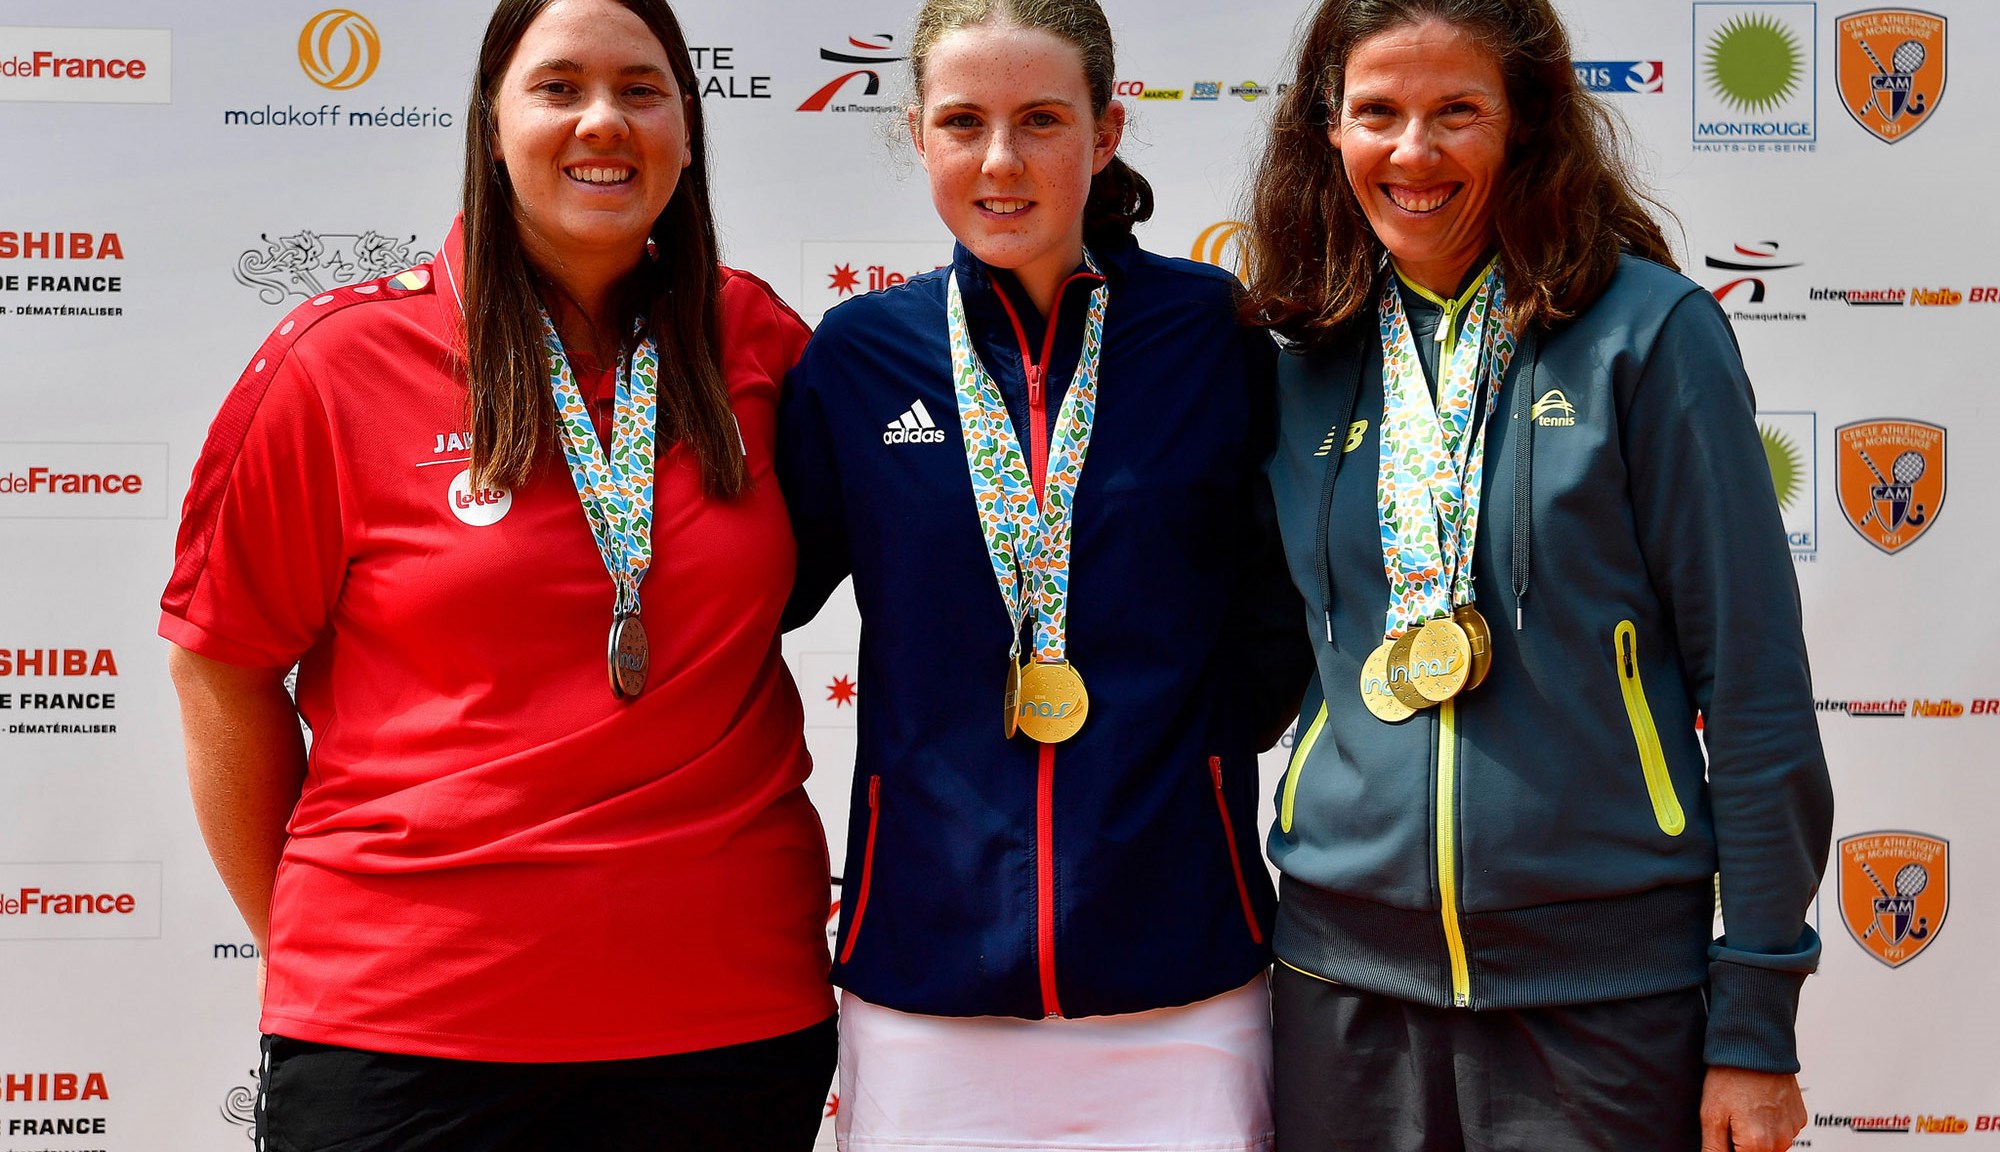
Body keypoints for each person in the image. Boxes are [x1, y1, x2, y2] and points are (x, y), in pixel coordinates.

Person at [160, 0, 834, 1147]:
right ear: (490, 122)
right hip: (407, 1030)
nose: (601, 121)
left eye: (640, 89)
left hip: (724, 1019)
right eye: (558, 87)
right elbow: (220, 670)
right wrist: (327, 948)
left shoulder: (755, 339)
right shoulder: (339, 365)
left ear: (686, 124)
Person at [1241, 2, 1833, 1150]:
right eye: (1377, 113)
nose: (1412, 153)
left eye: (1456, 111)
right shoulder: (1302, 353)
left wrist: (1754, 1020)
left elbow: (1752, 688)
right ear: (1327, 130)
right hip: (1339, 991)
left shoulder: (1646, 335)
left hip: (1600, 1002)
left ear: (1526, 126)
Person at [778, 0, 1310, 1148]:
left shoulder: (1209, 336)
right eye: (963, 122)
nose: (1001, 162)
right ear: (917, 131)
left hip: (1182, 964)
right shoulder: (858, 357)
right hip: (926, 964)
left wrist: (1187, 768)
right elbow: (754, 592)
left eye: (1041, 121)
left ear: (1106, 130)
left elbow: (1279, 605)